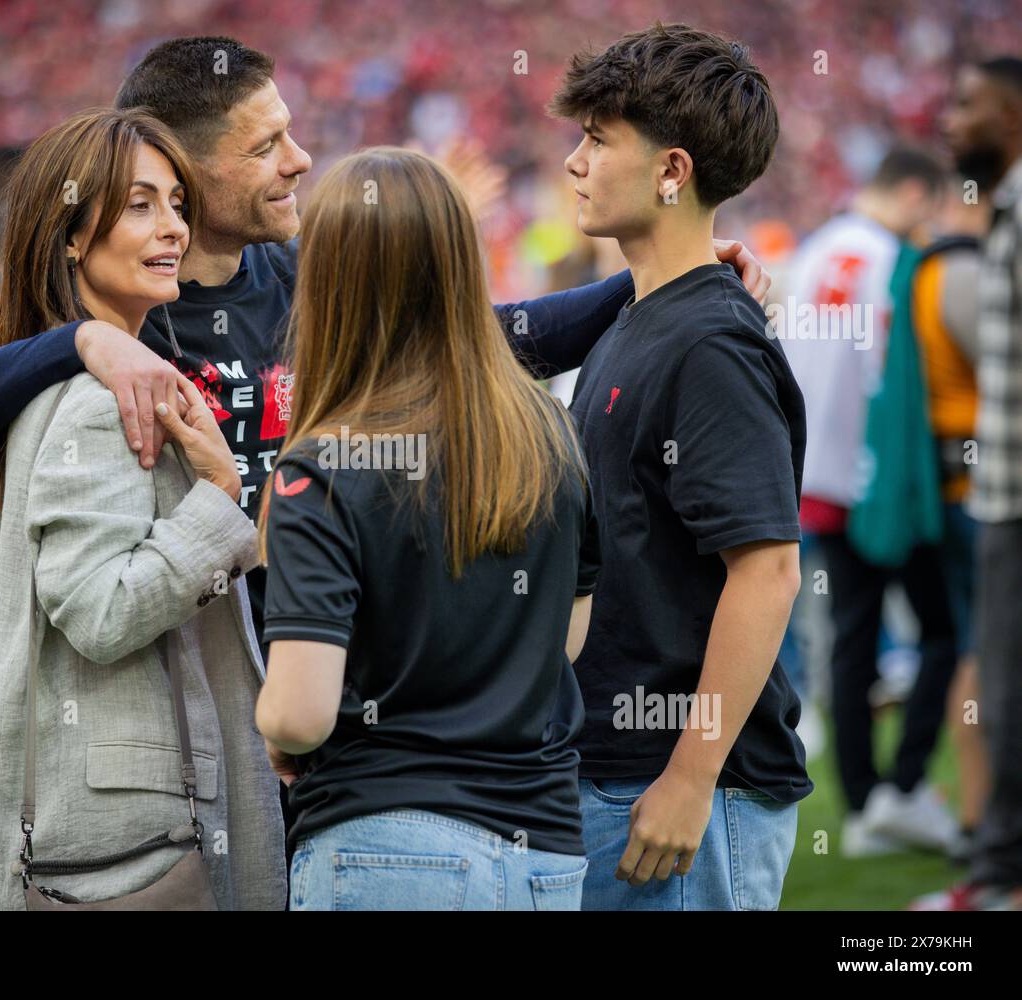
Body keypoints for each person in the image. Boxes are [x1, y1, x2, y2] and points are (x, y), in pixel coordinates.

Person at [0, 35, 771, 646]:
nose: (302, 160)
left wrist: (654, 277)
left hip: (287, 673)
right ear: (188, 170)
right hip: (135, 679)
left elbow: (489, 337)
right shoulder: (96, 299)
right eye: (268, 144)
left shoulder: (301, 276)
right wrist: (85, 341)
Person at [256, 148, 595, 910]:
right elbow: (566, 640)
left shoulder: (323, 466)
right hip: (543, 851)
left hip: (384, 847)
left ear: (329, 282)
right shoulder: (547, 428)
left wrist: (275, 723)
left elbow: (299, 714)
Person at [0, 107, 286, 910]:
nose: (172, 227)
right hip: (128, 843)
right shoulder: (95, 401)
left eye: (178, 203)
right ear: (72, 235)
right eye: (141, 204)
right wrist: (221, 500)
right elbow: (100, 612)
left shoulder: (103, 371)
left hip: (128, 825)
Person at [551, 24, 810, 910]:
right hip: (618, 774)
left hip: (684, 792)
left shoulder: (709, 340)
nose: (574, 162)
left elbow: (769, 570)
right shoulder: (642, 314)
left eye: (597, 138)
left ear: (671, 170)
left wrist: (693, 774)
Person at [780, 148, 961, 856]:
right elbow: (893, 376)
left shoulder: (813, 249)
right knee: (945, 631)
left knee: (852, 645)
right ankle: (902, 787)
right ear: (914, 192)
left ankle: (861, 809)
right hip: (880, 480)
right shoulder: (893, 260)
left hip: (816, 477)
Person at [915, 55, 1022, 912]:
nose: (950, 121)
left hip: (999, 496)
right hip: (987, 493)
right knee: (987, 671)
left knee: (995, 677)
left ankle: (1000, 872)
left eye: (967, 105)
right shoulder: (994, 226)